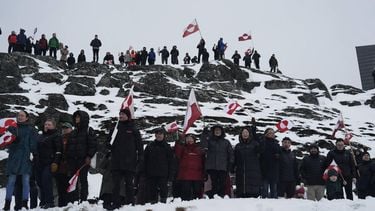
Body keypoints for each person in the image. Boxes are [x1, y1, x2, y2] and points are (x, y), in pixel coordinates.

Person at [107, 108, 143, 208]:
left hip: (129, 162)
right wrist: (109, 144)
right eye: (120, 114)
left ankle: (130, 204)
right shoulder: (115, 129)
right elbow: (108, 143)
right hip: (116, 162)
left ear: (128, 116)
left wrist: (140, 158)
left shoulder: (134, 130)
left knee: (129, 185)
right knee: (115, 185)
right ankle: (115, 204)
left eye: (123, 114)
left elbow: (140, 146)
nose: (121, 116)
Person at [3, 110, 38, 211]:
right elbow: (6, 142)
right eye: (18, 115)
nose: (20, 117)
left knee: (26, 181)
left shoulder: (31, 130)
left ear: (27, 118)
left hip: (26, 158)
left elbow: (33, 144)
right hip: (13, 158)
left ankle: (24, 204)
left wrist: (33, 154)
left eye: (22, 115)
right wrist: (13, 142)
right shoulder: (12, 128)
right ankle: (7, 204)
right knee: (11, 182)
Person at [65, 110, 97, 203]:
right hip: (73, 160)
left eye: (78, 117)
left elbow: (93, 145)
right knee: (73, 180)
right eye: (76, 117)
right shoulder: (73, 132)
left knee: (83, 180)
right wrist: (68, 157)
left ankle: (83, 200)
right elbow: (69, 146)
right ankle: (74, 200)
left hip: (83, 160)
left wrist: (89, 156)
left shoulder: (89, 130)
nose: (77, 119)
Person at [36, 119, 63, 208]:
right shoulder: (40, 136)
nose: (46, 126)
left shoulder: (56, 136)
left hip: (50, 162)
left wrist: (55, 162)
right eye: (45, 124)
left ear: (54, 126)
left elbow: (59, 150)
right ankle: (43, 201)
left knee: (46, 180)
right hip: (39, 162)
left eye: (49, 124)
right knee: (39, 182)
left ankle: (49, 202)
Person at [201, 125, 234, 198]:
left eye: (219, 130)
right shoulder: (209, 141)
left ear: (222, 132)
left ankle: (221, 196)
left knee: (222, 183)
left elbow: (231, 153)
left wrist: (230, 163)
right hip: (212, 166)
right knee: (214, 183)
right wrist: (204, 135)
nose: (217, 131)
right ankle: (214, 197)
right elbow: (203, 147)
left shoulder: (226, 142)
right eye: (216, 130)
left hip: (223, 166)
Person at [143, 128, 174, 203]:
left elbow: (171, 162)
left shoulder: (167, 147)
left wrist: (170, 176)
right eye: (157, 134)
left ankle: (163, 205)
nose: (158, 135)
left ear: (164, 135)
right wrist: (145, 172)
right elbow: (144, 160)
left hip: (163, 174)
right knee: (152, 191)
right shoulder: (149, 146)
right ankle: (153, 205)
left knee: (164, 191)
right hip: (151, 173)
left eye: (160, 134)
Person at [233, 126, 262, 198]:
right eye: (243, 133)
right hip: (241, 173)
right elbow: (235, 158)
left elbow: (261, 149)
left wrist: (255, 135)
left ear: (249, 134)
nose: (245, 134)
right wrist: (232, 167)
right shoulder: (238, 146)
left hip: (253, 172)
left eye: (246, 132)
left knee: (253, 195)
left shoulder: (255, 144)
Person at [174, 134, 205, 201]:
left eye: (191, 138)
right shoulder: (183, 148)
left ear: (194, 140)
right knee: (185, 193)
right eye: (188, 138)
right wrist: (178, 142)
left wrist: (204, 173)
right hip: (185, 175)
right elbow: (177, 154)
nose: (189, 140)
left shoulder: (199, 149)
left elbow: (203, 161)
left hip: (197, 175)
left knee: (197, 193)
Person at [55, 122, 73, 207]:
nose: (65, 130)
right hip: (59, 167)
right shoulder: (59, 139)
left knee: (69, 187)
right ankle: (61, 206)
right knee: (60, 188)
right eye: (63, 128)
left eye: (67, 128)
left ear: (71, 129)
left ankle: (69, 205)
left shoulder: (74, 139)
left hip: (70, 167)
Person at [260, 128, 280, 198]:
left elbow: (280, 155)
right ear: (266, 134)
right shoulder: (262, 142)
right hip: (264, 169)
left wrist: (278, 156)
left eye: (272, 133)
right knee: (264, 190)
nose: (271, 134)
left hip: (274, 170)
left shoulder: (277, 144)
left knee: (274, 191)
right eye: (269, 133)